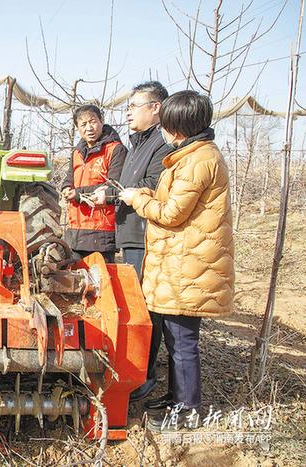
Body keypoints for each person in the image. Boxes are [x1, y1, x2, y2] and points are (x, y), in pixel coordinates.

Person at [118, 90, 234, 431]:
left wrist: (137, 198)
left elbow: (170, 214)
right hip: (181, 261)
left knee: (183, 342)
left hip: (191, 265)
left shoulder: (198, 160)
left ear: (176, 127)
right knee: (174, 337)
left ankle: (187, 413)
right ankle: (176, 399)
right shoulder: (190, 155)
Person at [114, 81, 174, 402]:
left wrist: (128, 193)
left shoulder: (162, 144)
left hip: (146, 236)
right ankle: (134, 367)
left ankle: (143, 375)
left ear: (156, 108)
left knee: (146, 309)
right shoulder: (138, 143)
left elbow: (154, 185)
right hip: (131, 234)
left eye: (134, 106)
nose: (128, 113)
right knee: (134, 306)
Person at [61, 104, 127, 263]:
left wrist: (77, 194)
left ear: (102, 121)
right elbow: (70, 178)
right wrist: (65, 188)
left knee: (102, 280)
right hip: (76, 228)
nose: (89, 128)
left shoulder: (115, 150)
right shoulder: (77, 152)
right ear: (78, 128)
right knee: (77, 280)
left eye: (93, 122)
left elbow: (114, 186)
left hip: (101, 229)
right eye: (83, 124)